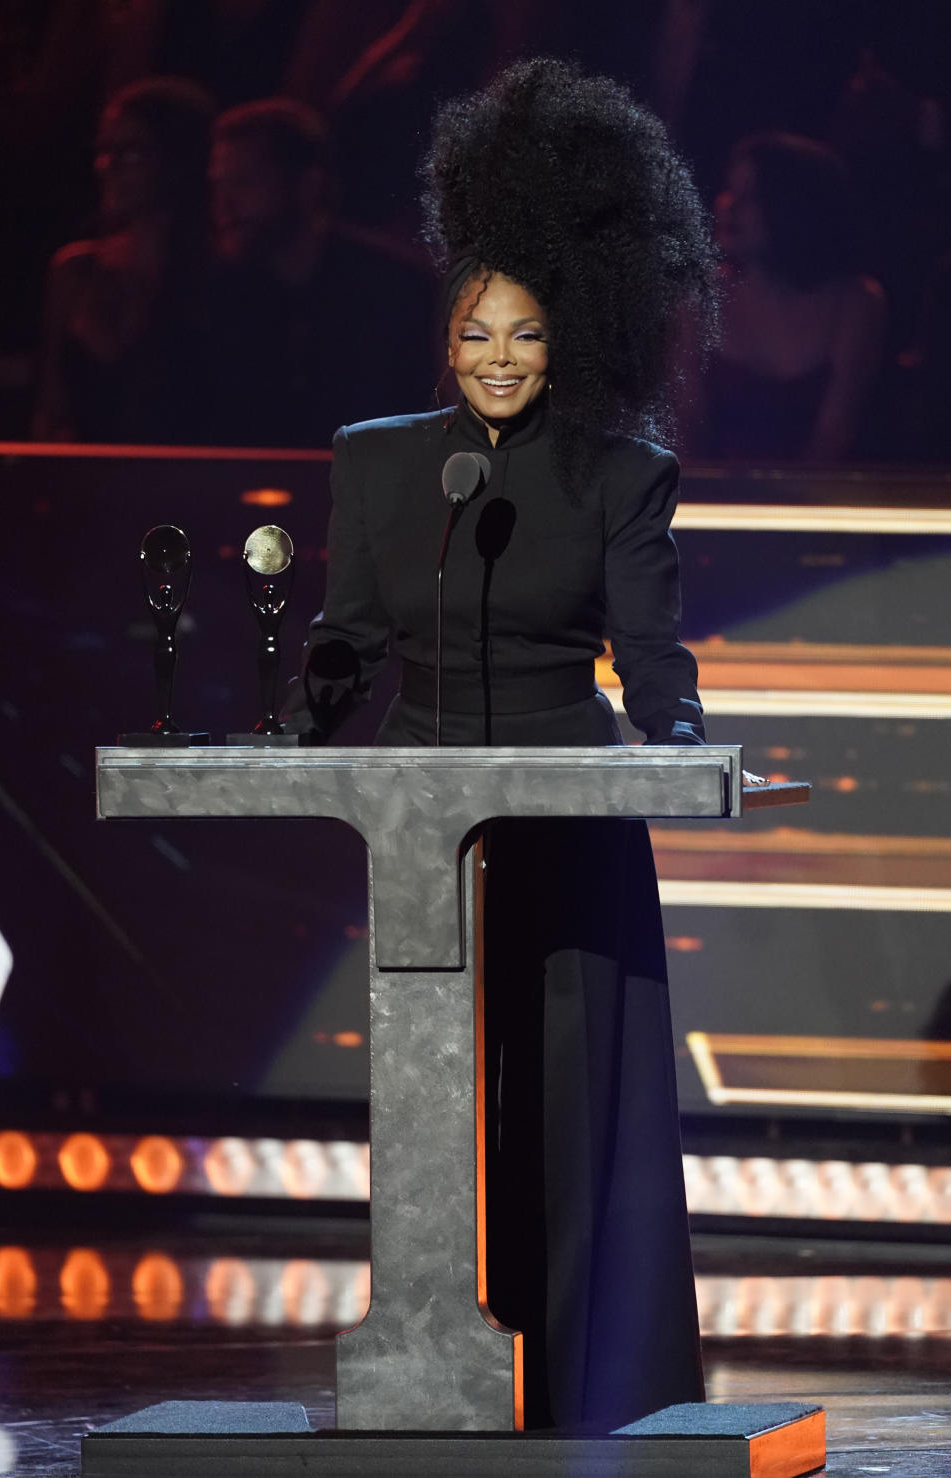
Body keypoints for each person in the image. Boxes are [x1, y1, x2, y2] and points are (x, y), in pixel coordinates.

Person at [283, 58, 716, 1431]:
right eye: (477, 334)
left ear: (568, 337)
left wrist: (683, 733)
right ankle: (436, 1382)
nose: (500, 360)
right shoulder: (385, 462)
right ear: (445, 336)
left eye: (526, 335)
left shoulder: (619, 472)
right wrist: (293, 728)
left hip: (566, 821)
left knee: (569, 1103)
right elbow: (348, 639)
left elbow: (648, 656)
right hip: (422, 836)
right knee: (445, 1115)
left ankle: (586, 1387)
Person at [205, 97, 436, 446]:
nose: (224, 205)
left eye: (244, 183)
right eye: (219, 185)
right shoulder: (217, 296)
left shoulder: (390, 289)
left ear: (308, 185)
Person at [681, 131, 886, 461]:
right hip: (710, 502)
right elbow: (684, 431)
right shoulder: (698, 300)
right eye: (730, 190)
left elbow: (834, 438)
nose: (727, 206)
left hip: (817, 506)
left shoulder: (855, 303)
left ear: (793, 207)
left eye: (751, 196)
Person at [34, 75, 215, 444]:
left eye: (130, 152)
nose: (107, 165)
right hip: (86, 484)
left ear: (177, 159)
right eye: (104, 149)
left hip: (188, 484)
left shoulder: (217, 270)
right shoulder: (78, 270)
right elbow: (52, 409)